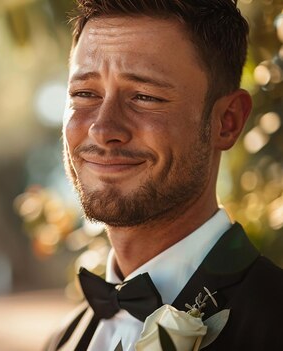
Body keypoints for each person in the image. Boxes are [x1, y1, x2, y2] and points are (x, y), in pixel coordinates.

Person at [46, 0, 283, 350]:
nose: (102, 128)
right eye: (84, 94)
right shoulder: (60, 340)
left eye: (145, 96)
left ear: (227, 121)